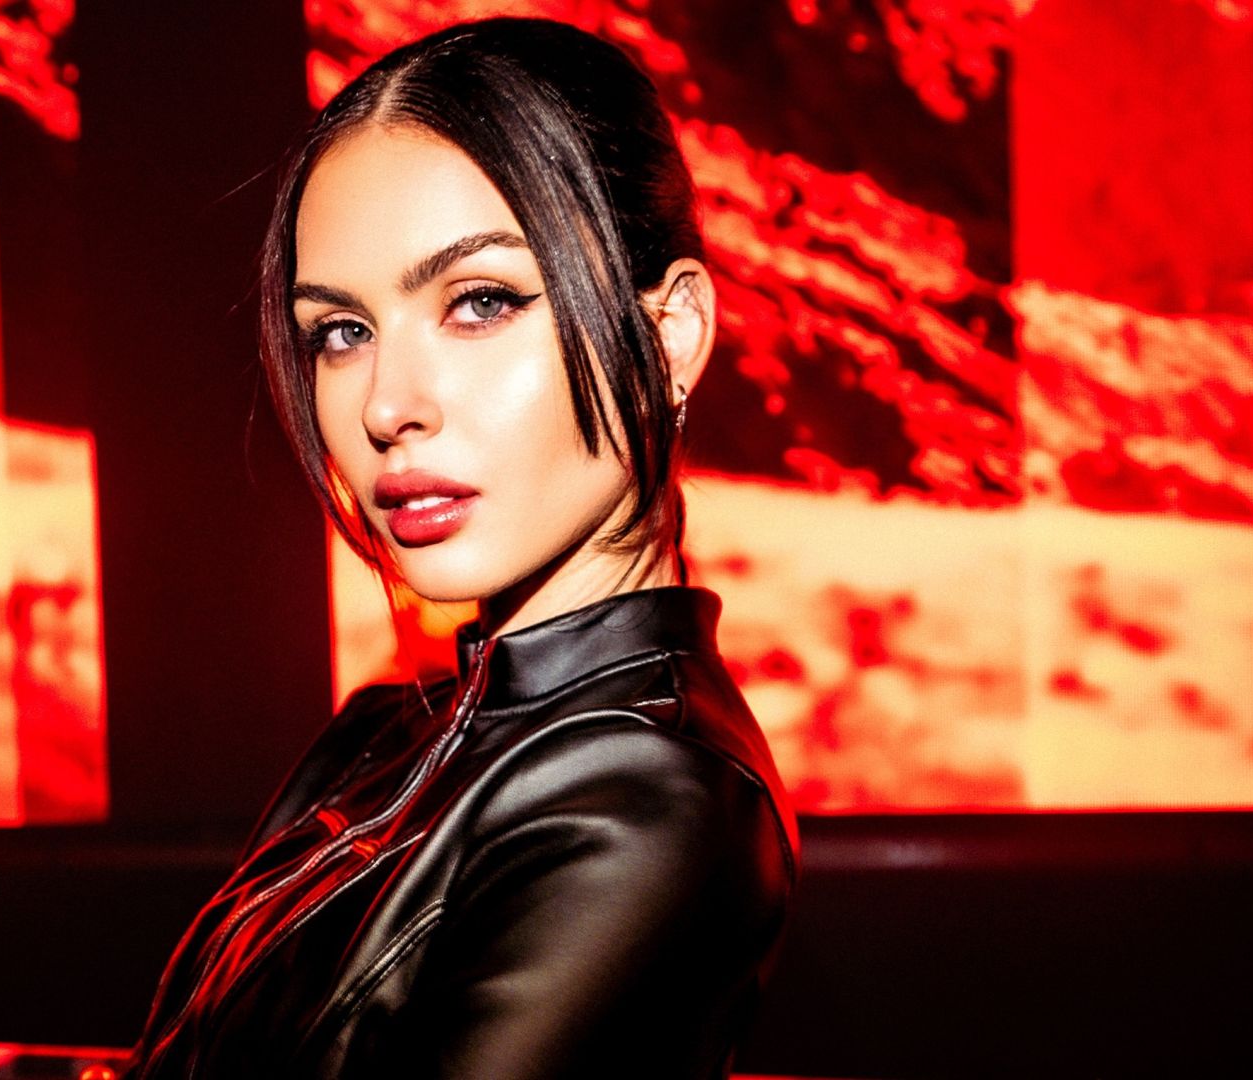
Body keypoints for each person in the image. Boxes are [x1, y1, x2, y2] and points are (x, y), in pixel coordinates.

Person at [123, 18, 799, 1079]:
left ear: (670, 336)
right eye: (341, 332)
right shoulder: (380, 736)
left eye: (480, 303)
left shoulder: (645, 799)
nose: (386, 405)